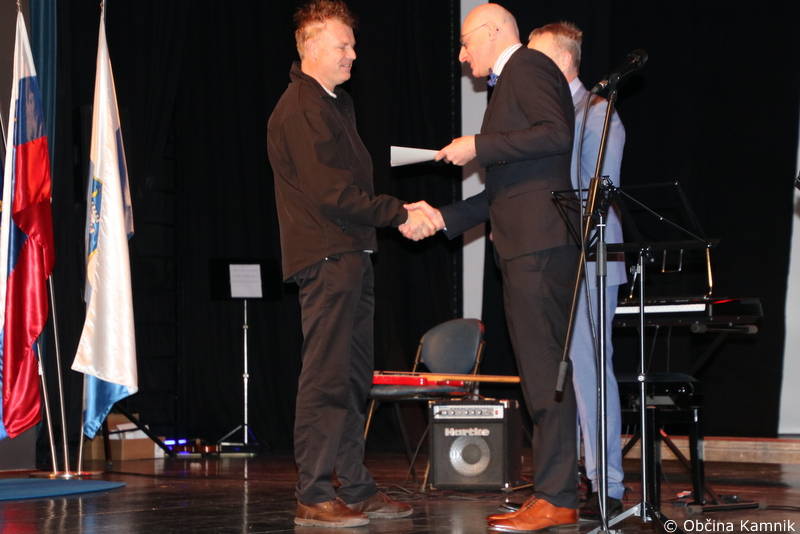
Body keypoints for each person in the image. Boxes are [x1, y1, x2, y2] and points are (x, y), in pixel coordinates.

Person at [404, 4, 580, 532]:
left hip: (539, 247)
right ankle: (551, 493)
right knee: (538, 374)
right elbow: (505, 190)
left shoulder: (528, 65)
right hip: (527, 246)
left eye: (465, 42)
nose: (462, 56)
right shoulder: (510, 82)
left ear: (493, 31)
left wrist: (478, 145)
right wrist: (443, 218)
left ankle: (557, 497)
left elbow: (557, 134)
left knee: (545, 374)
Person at [266, 0, 431, 527]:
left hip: (352, 255)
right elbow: (332, 194)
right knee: (326, 379)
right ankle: (314, 494)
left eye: (353, 45)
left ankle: (354, 487)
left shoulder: (335, 105)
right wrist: (399, 212)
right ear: (311, 46)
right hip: (327, 257)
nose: (353, 55)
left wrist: (390, 216)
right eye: (343, 45)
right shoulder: (302, 108)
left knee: (354, 379)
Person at [528, 22, 627, 519]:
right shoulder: (549, 115)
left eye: (537, 57)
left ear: (564, 61)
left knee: (588, 373)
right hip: (555, 259)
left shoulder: (597, 112)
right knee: (558, 376)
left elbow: (596, 197)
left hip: (590, 260)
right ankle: (565, 480)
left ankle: (607, 484)